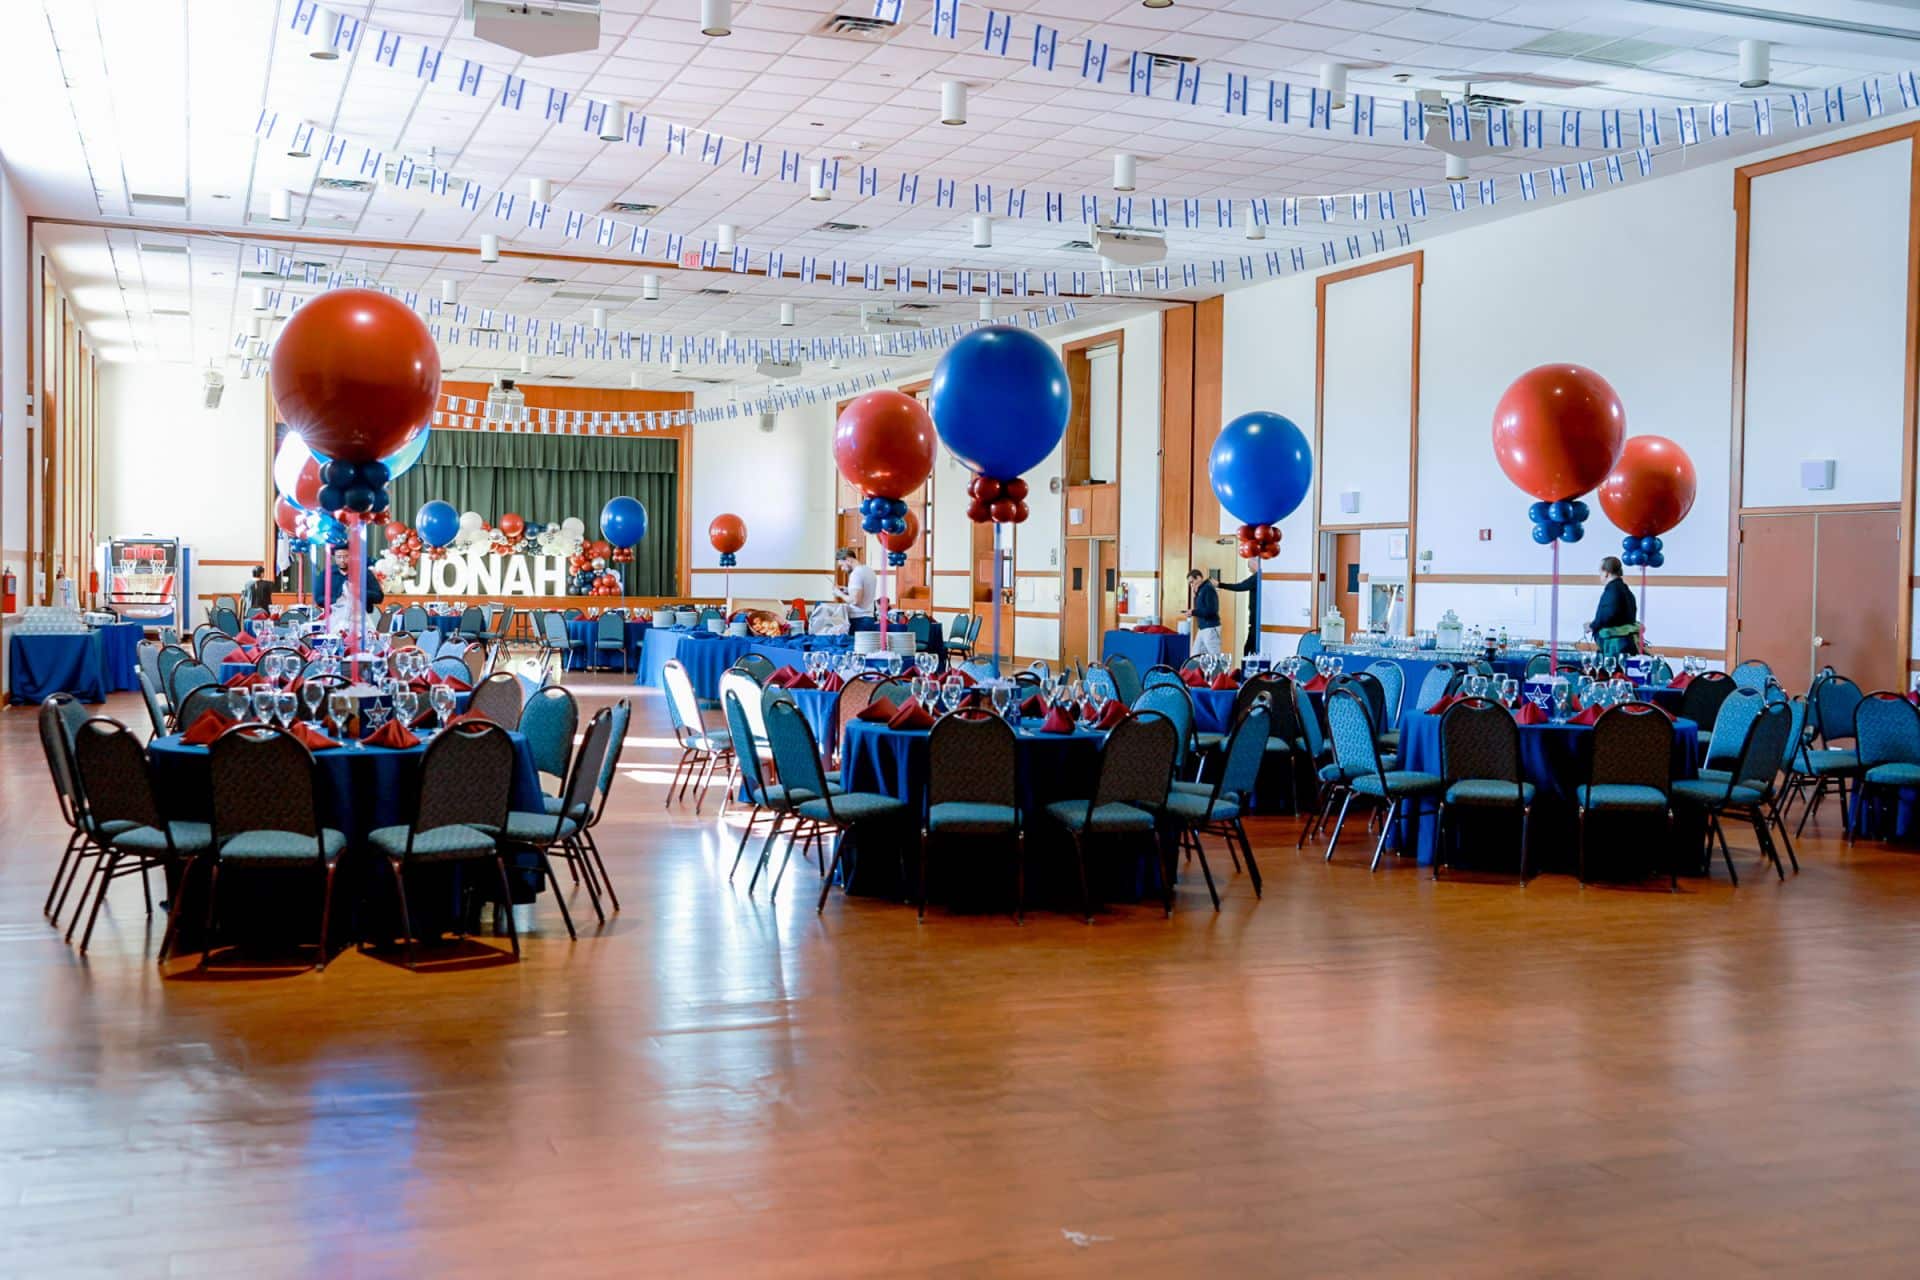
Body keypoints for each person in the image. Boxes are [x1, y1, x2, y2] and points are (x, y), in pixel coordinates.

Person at [1184, 568, 1257, 656]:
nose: (1191, 585)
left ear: (1199, 578)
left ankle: (1222, 669)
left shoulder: (1208, 589)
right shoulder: (1200, 591)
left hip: (1210, 628)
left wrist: (1193, 612)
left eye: (1192, 582)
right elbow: (1201, 607)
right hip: (1203, 628)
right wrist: (1195, 596)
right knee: (1195, 656)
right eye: (1190, 584)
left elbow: (1211, 610)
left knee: (1215, 656)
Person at [1586, 555, 1640, 657]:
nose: (1600, 575)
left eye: (1600, 572)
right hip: (1627, 642)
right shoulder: (1625, 589)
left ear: (1606, 573)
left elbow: (1609, 614)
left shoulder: (1613, 590)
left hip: (1615, 646)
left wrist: (1592, 625)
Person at [324, 546, 384, 614]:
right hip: (335, 617)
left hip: (362, 618)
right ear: (334, 557)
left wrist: (359, 592)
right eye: (339, 557)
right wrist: (337, 600)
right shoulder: (328, 573)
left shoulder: (365, 572)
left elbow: (379, 597)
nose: (342, 560)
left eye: (346, 556)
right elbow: (319, 598)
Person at [833, 548, 877, 623]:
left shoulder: (856, 574)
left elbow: (855, 601)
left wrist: (839, 593)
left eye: (842, 565)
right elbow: (865, 590)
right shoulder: (869, 571)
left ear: (848, 560)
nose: (842, 569)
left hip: (859, 619)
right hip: (870, 617)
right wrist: (847, 590)